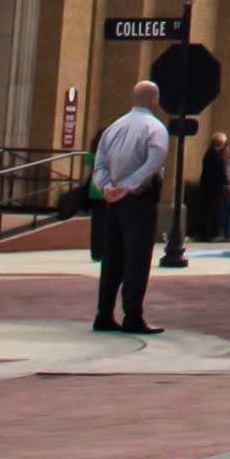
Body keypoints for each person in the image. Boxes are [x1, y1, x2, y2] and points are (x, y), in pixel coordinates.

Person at [91, 81, 170, 334]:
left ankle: (104, 314)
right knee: (137, 259)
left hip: (113, 202)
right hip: (139, 201)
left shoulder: (113, 128)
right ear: (154, 100)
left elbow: (99, 164)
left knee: (111, 259)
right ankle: (133, 316)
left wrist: (107, 187)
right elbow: (154, 162)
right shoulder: (155, 128)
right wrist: (129, 186)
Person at [198, 132, 229, 240]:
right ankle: (209, 234)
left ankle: (208, 233)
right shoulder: (215, 155)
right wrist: (228, 183)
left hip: (208, 187)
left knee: (209, 211)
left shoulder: (209, 153)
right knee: (211, 211)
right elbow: (221, 172)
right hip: (213, 188)